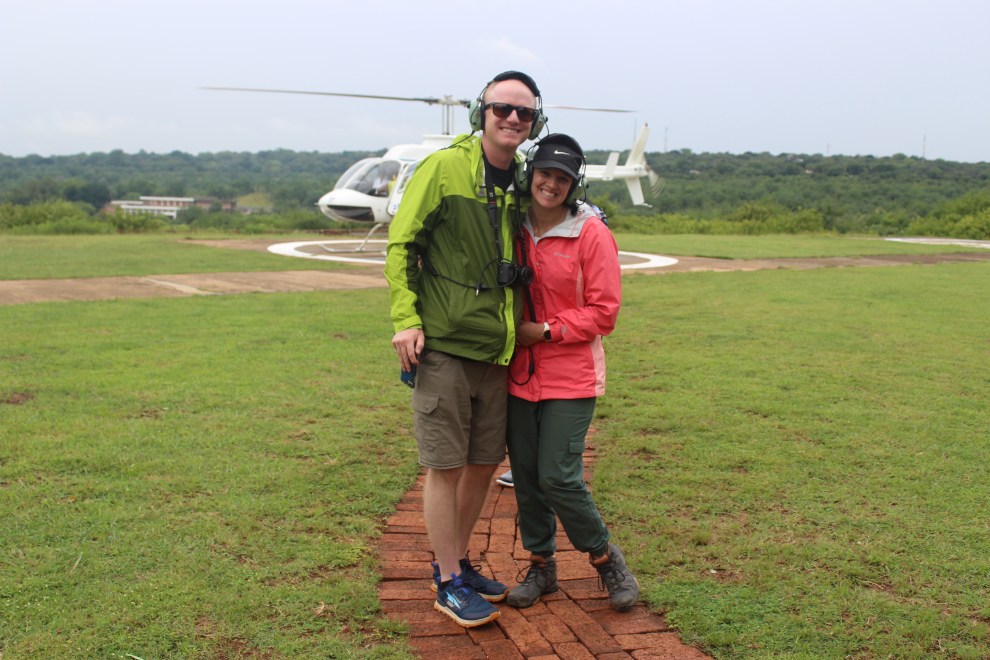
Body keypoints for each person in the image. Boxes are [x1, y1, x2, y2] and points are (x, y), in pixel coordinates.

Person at [384, 71, 545, 628]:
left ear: (535, 122)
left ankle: (456, 562)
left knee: (481, 465)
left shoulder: (522, 178)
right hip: (447, 345)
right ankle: (448, 581)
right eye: (502, 108)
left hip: (497, 352)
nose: (513, 119)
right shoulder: (444, 169)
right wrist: (406, 320)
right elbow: (402, 244)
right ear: (482, 112)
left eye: (524, 113)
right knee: (446, 465)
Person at [504, 134, 640, 612]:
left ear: (574, 184)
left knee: (559, 476)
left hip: (571, 373)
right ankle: (542, 567)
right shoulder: (511, 226)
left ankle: (605, 559)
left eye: (562, 178)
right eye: (545, 173)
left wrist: (544, 331)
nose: (552, 184)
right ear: (531, 174)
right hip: (518, 373)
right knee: (526, 476)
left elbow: (604, 312)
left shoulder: (590, 233)